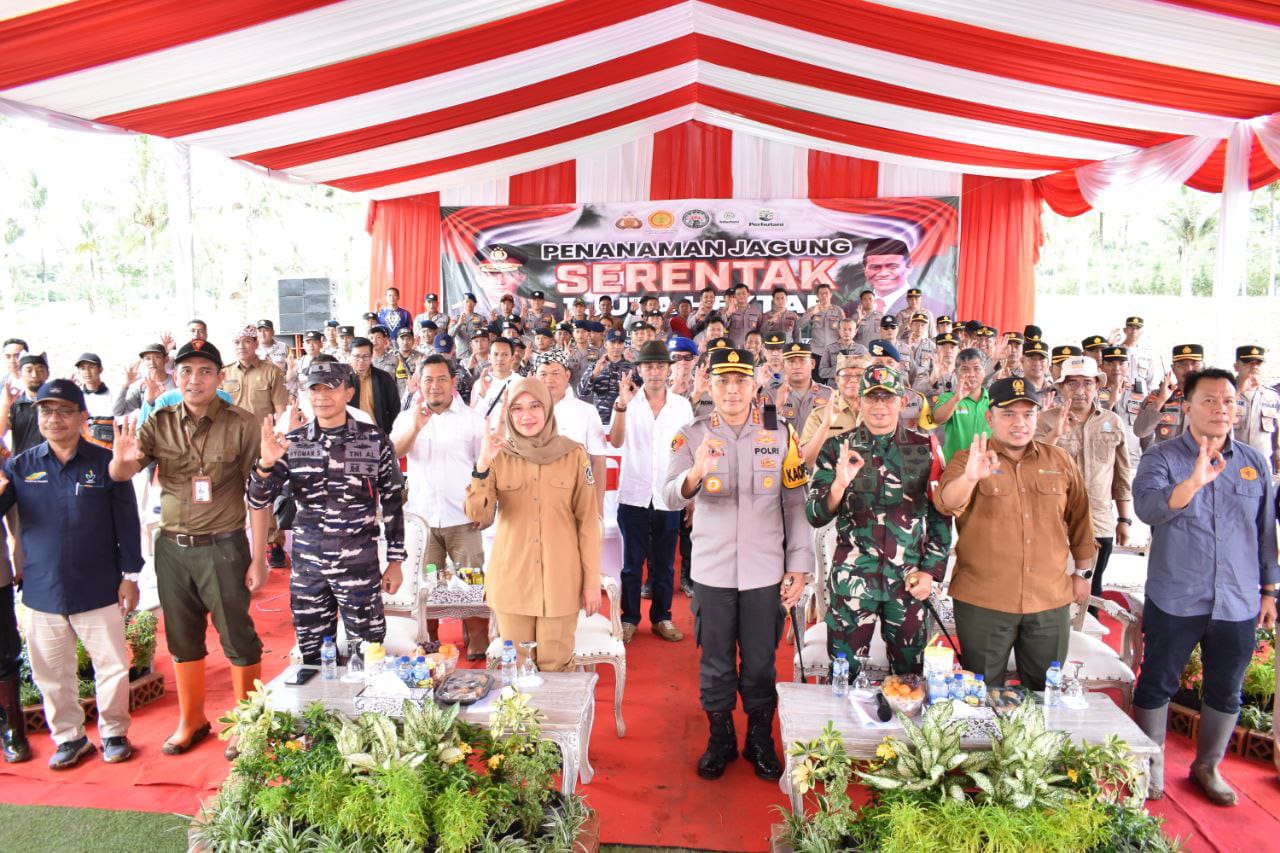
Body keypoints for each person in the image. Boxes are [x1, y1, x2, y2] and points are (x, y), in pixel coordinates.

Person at [108, 340, 266, 756]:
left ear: (218, 377)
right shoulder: (157, 421)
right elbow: (122, 471)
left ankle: (249, 722)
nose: (194, 379)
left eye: (204, 371)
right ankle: (191, 719)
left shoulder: (243, 423)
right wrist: (121, 461)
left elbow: (260, 491)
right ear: (175, 376)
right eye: (186, 371)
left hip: (224, 546)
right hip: (173, 547)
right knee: (181, 637)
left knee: (238, 634)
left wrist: (260, 555)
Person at [662, 347, 811, 782]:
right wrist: (695, 474)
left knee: (762, 661)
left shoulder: (780, 433)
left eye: (740, 381)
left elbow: (796, 501)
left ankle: (760, 738)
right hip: (712, 569)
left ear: (755, 385)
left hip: (765, 570)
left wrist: (798, 565)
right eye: (723, 381)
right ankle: (721, 737)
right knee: (716, 659)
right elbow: (668, 495)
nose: (731, 390)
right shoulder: (690, 435)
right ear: (709, 384)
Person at [1130, 367, 1278, 805]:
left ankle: (1207, 766)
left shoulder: (1254, 463)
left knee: (1226, 687)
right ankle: (1149, 767)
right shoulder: (1162, 457)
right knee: (1157, 682)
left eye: (1228, 402)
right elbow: (1148, 509)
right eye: (1209, 400)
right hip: (1176, 595)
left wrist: (1269, 591)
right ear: (1188, 405)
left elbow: (1265, 531)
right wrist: (1192, 484)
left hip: (1237, 600)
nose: (1220, 409)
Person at [0, 379, 142, 768]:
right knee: (51, 671)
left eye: (64, 411)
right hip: (42, 589)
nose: (54, 419)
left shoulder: (105, 463)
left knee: (111, 664)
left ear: (82, 417)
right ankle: (70, 738)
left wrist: (130, 574)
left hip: (98, 585)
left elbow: (127, 522)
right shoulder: (21, 466)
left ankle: (114, 732)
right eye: (46, 411)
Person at [935, 378, 1095, 689]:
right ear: (989, 417)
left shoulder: (1059, 460)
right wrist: (970, 478)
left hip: (1049, 599)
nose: (1019, 423)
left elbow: (1080, 519)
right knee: (980, 695)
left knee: (1044, 694)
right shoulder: (968, 460)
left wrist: (1084, 572)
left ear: (1039, 416)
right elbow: (946, 503)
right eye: (1008, 414)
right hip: (984, 601)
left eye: (1028, 414)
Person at [250, 362, 405, 666]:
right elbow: (257, 499)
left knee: (369, 655)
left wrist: (396, 561)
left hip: (358, 567)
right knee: (314, 658)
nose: (321, 396)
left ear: (348, 391)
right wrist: (265, 464)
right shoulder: (292, 443)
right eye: (315, 389)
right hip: (309, 569)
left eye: (330, 387)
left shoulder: (374, 440)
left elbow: (392, 502)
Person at [806, 366, 950, 674]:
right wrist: (839, 486)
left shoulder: (925, 449)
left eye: (888, 397)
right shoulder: (836, 449)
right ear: (859, 402)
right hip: (853, 583)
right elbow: (815, 515)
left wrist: (930, 573)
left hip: (908, 583)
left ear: (902, 401)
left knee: (910, 676)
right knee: (844, 674)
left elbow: (940, 517)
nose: (880, 405)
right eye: (872, 398)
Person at [464, 377, 601, 671]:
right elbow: (478, 516)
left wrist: (591, 583)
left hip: (561, 582)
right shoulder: (499, 456)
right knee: (517, 670)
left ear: (548, 408)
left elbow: (588, 521)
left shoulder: (574, 454)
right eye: (517, 409)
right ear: (509, 414)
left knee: (557, 666)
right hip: (513, 581)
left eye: (535, 406)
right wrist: (483, 464)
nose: (526, 416)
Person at [392, 355, 491, 658]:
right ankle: (429, 638)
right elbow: (394, 453)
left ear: (453, 382)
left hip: (462, 518)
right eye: (428, 380)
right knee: (427, 582)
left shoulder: (471, 419)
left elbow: (486, 465)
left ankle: (476, 637)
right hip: (423, 520)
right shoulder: (407, 417)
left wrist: (485, 508)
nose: (435, 386)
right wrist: (416, 428)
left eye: (441, 379)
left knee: (470, 580)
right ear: (419, 384)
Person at [608, 341, 694, 644]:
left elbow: (688, 453)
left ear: (668, 369)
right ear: (639, 370)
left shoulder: (682, 405)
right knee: (631, 564)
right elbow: (616, 442)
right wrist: (621, 404)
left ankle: (662, 618)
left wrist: (690, 496)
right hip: (633, 493)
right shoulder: (627, 403)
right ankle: (629, 619)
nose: (654, 372)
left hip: (668, 494)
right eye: (648, 366)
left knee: (664, 564)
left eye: (659, 366)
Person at [1035, 357, 1133, 600]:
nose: (1080, 391)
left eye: (1087, 383)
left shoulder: (1112, 421)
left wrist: (1124, 519)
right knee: (1051, 591)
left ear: (1097, 386)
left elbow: (1121, 476)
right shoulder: (1045, 420)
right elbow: (1032, 466)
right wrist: (1055, 433)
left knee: (1092, 592)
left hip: (1099, 522)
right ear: (1061, 387)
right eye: (1072, 384)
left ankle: (1087, 636)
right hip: (1056, 522)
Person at [533, 351, 609, 513]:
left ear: (567, 375)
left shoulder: (586, 411)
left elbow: (598, 461)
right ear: (534, 377)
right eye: (543, 374)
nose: (549, 380)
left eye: (555, 373)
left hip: (575, 500)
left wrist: (597, 508)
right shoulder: (525, 413)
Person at [800, 354, 872, 467]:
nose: (853, 380)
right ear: (837, 379)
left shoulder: (881, 413)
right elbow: (804, 462)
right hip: (830, 481)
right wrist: (825, 426)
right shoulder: (820, 415)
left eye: (860, 375)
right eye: (846, 375)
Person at [1134, 344, 1203, 446]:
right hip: (1166, 460)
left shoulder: (1213, 398)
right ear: (1173, 368)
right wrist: (1161, 400)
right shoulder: (1157, 395)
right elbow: (1140, 431)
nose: (1189, 369)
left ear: (1203, 366)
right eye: (1182, 365)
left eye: (1195, 364)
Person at [931, 349, 990, 461]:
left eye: (976, 368)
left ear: (985, 371)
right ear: (956, 373)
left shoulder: (993, 401)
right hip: (953, 467)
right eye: (965, 369)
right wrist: (956, 399)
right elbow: (937, 419)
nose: (971, 374)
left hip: (986, 466)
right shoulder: (947, 398)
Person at [222, 326, 288, 422]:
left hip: (262, 434)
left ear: (256, 344)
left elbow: (281, 410)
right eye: (237, 342)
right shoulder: (224, 373)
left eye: (247, 341)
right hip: (232, 434)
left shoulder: (272, 372)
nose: (241, 346)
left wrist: (279, 433)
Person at [1232, 346, 1279, 474]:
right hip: (1232, 464)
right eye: (1248, 363)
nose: (1254, 367)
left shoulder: (1272, 397)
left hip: (1262, 465)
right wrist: (1238, 391)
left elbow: (1277, 434)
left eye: (1258, 363)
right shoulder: (1226, 392)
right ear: (1236, 366)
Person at [770, 342, 832, 432]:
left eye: (802, 360)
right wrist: (777, 406)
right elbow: (765, 431)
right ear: (783, 365)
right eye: (791, 361)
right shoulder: (771, 394)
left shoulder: (829, 395)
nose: (796, 366)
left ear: (812, 364)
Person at [348, 337, 399, 433]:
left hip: (378, 433)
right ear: (350, 356)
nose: (361, 361)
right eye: (356, 356)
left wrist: (391, 433)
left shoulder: (383, 378)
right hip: (351, 435)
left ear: (371, 356)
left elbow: (394, 408)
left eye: (365, 356)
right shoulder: (343, 380)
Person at [74, 353, 114, 447]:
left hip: (108, 453)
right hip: (83, 453)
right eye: (82, 368)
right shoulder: (75, 398)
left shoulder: (113, 395)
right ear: (78, 372)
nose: (87, 372)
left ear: (100, 369)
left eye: (91, 367)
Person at [801, 283, 845, 356]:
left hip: (834, 351)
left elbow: (845, 329)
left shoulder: (838, 311)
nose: (824, 295)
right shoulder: (811, 310)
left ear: (830, 295)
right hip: (816, 351)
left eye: (826, 293)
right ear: (817, 296)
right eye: (821, 294)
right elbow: (800, 325)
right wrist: (812, 313)